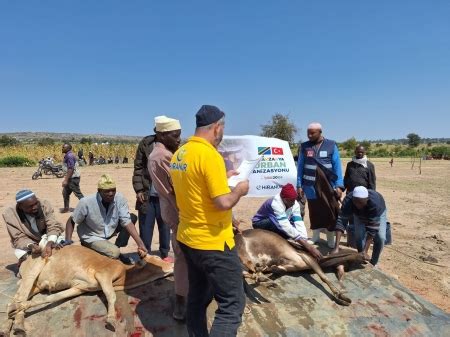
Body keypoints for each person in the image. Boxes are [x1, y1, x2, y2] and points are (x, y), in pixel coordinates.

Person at [170, 105, 249, 337]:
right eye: (222, 128)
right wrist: (240, 190)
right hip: (213, 242)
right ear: (217, 127)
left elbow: (195, 185)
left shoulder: (181, 154)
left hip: (188, 238)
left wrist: (223, 178)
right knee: (232, 304)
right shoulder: (210, 155)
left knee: (198, 296)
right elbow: (223, 203)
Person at [148, 115, 187, 320]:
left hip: (173, 210)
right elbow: (176, 191)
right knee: (182, 257)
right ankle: (181, 303)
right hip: (178, 212)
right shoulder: (162, 157)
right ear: (162, 135)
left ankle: (184, 297)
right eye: (175, 135)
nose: (179, 139)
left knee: (183, 257)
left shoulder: (161, 153)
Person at [65, 174, 148, 262]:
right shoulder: (86, 202)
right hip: (92, 235)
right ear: (99, 191)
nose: (111, 194)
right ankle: (113, 253)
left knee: (132, 217)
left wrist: (140, 243)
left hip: (109, 230)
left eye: (113, 190)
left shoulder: (119, 198)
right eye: (107, 191)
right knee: (114, 253)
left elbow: (126, 221)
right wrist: (68, 241)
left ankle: (116, 247)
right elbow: (71, 221)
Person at [296, 123, 344, 248]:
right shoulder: (304, 146)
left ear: (320, 132)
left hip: (328, 186)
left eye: (312, 133)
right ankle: (316, 237)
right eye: (308, 133)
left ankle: (330, 239)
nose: (309, 135)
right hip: (310, 186)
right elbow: (300, 166)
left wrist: (339, 185)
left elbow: (337, 166)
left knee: (330, 211)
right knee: (314, 211)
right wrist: (299, 185)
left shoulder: (331, 145)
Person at [252, 183, 322, 261]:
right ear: (283, 198)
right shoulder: (274, 203)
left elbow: (298, 221)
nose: (293, 203)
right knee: (282, 227)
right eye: (290, 201)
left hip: (278, 222)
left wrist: (305, 241)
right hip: (261, 223)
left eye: (294, 200)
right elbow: (284, 225)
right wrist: (307, 246)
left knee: (291, 230)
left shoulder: (294, 203)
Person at [132, 125, 171, 261]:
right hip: (147, 195)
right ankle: (145, 254)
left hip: (165, 196)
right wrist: (139, 190)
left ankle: (165, 253)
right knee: (146, 227)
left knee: (165, 226)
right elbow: (138, 168)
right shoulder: (146, 144)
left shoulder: (173, 146)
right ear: (159, 133)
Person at [3, 190, 64, 264]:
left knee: (60, 245)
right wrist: (32, 246)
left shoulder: (44, 205)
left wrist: (50, 242)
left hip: (47, 238)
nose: (35, 207)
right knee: (21, 253)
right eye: (30, 206)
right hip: (29, 243)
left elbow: (53, 226)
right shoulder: (10, 215)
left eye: (36, 203)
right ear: (20, 206)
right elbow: (18, 238)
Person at [331, 186, 388, 266]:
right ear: (353, 199)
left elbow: (372, 229)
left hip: (378, 212)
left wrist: (366, 250)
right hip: (358, 215)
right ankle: (362, 259)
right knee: (359, 236)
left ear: (367, 199)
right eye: (356, 202)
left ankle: (374, 263)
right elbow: (341, 222)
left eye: (361, 203)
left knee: (380, 237)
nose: (358, 205)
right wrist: (336, 248)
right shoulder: (348, 201)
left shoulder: (374, 203)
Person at [344, 145, 377, 247]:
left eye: (361, 152)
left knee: (365, 217)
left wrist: (371, 196)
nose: (359, 154)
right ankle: (352, 240)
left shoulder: (369, 165)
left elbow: (372, 182)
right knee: (351, 217)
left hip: (364, 197)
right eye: (358, 152)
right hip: (351, 194)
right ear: (355, 152)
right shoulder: (350, 164)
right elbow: (346, 179)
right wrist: (341, 189)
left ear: (364, 152)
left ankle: (366, 239)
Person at [61, 143, 84, 213]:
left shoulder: (70, 156)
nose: (62, 148)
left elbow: (71, 169)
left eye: (63, 147)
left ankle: (88, 207)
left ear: (68, 148)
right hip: (71, 177)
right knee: (65, 193)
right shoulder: (68, 155)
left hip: (72, 178)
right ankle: (66, 208)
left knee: (78, 194)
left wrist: (66, 180)